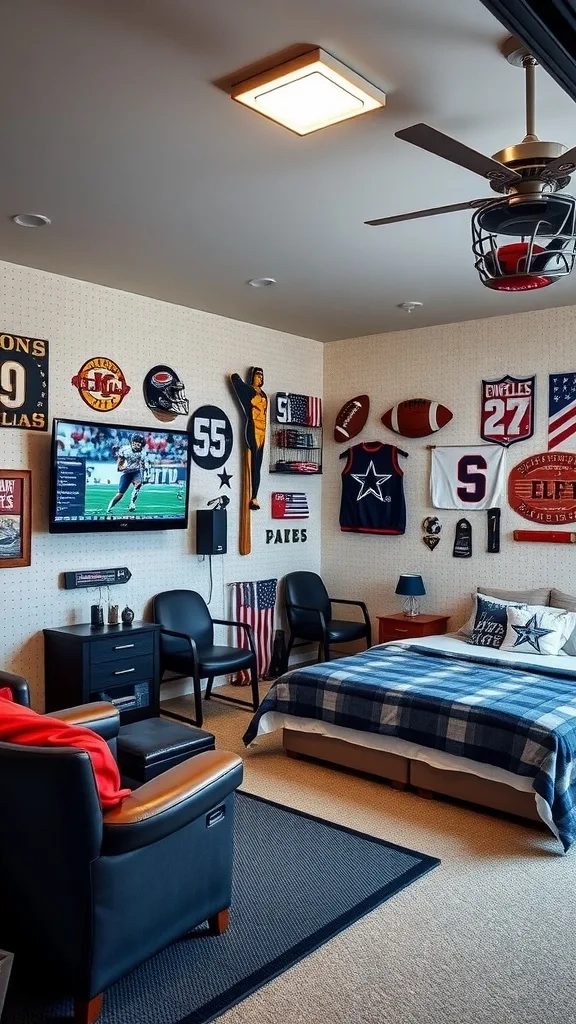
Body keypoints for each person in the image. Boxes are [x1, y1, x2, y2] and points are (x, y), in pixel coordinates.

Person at [230, 367, 267, 509]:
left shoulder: (263, 394)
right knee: (252, 462)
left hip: (262, 431)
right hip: (252, 428)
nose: (260, 378)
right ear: (252, 376)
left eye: (262, 376)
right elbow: (235, 378)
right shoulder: (248, 391)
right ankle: (252, 495)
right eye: (258, 375)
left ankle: (255, 496)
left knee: (258, 464)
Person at [104, 433, 148, 514]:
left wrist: (144, 475)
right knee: (120, 494)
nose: (137, 446)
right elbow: (119, 464)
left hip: (136, 471)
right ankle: (109, 508)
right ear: (132, 442)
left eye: (139, 444)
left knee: (138, 484)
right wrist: (121, 467)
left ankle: (132, 503)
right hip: (126, 472)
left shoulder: (142, 453)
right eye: (136, 443)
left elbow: (143, 465)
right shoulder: (125, 450)